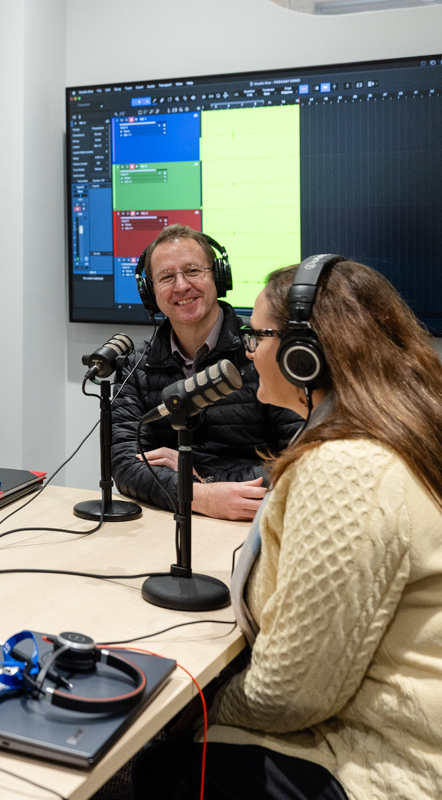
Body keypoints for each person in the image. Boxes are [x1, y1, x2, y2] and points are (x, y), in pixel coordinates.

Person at [134, 257, 442, 799]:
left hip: (380, 760)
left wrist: (187, 707)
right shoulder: (385, 429)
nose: (249, 350)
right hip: (383, 725)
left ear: (307, 355)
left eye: (259, 335)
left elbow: (291, 693)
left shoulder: (347, 468)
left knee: (160, 763)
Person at [110, 225, 303, 521]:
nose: (182, 286)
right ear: (150, 293)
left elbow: (297, 457)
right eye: (166, 277)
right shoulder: (135, 365)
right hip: (173, 521)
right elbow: (125, 464)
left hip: (254, 519)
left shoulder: (263, 348)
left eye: (193, 271)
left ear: (218, 276)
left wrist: (205, 482)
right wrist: (200, 495)